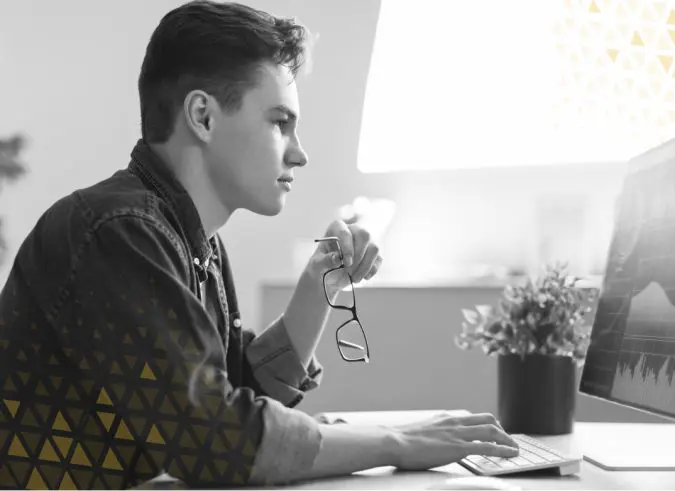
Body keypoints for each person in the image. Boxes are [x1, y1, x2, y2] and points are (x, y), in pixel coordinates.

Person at [0, 1, 519, 488]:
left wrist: (320, 287)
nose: (299, 154)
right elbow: (217, 441)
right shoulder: (119, 232)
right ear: (203, 116)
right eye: (279, 122)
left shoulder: (189, 238)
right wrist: (397, 442)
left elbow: (226, 397)